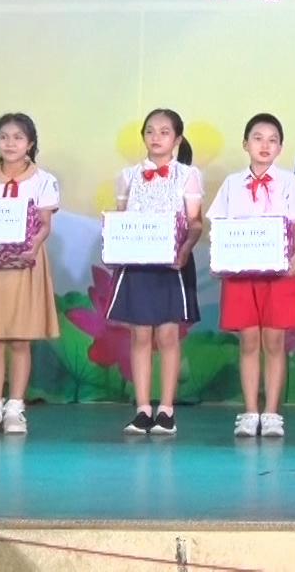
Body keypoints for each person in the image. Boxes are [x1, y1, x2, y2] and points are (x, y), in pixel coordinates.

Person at [207, 113, 295, 440]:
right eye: (257, 138)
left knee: (274, 341)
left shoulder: (290, 183)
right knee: (249, 340)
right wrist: (218, 259)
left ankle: (272, 413)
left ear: (280, 147)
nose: (265, 145)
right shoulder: (231, 184)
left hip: (279, 275)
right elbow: (219, 226)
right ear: (245, 144)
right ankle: (250, 411)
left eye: (272, 140)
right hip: (241, 276)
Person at [0, 113, 59, 437]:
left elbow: (44, 224)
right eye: (3, 137)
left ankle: (15, 409)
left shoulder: (43, 180)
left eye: (18, 137)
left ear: (30, 143)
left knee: (19, 339)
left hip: (25, 263)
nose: (10, 143)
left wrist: (32, 246)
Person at [109, 108, 204, 436]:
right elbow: (120, 219)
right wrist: (115, 242)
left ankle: (166, 410)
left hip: (171, 266)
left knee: (167, 335)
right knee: (139, 336)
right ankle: (142, 410)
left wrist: (185, 248)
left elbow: (195, 222)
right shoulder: (128, 176)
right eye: (150, 131)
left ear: (177, 139)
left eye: (164, 132)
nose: (156, 137)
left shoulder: (187, 175)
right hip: (138, 266)